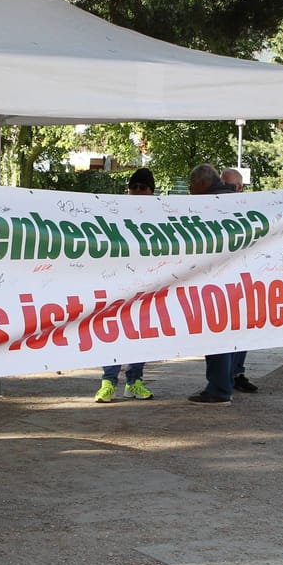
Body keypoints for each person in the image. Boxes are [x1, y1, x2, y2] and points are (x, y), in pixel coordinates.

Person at [94, 168, 157, 403]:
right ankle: (108, 381)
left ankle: (134, 380)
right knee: (114, 331)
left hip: (147, 284)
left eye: (143, 188)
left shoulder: (160, 216)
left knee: (140, 333)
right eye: (135, 187)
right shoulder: (113, 213)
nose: (138, 191)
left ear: (151, 192)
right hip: (117, 284)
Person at [186, 163, 241, 404]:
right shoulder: (236, 199)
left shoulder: (207, 204)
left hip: (215, 279)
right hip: (237, 278)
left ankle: (219, 389)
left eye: (191, 185)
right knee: (230, 334)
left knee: (216, 333)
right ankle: (226, 382)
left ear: (203, 183)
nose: (189, 190)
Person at [219, 167, 259, 393]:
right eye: (223, 186)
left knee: (243, 330)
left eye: (231, 187)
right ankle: (225, 376)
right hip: (222, 283)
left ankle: (237, 373)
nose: (227, 192)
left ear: (240, 188)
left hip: (244, 280)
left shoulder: (247, 209)